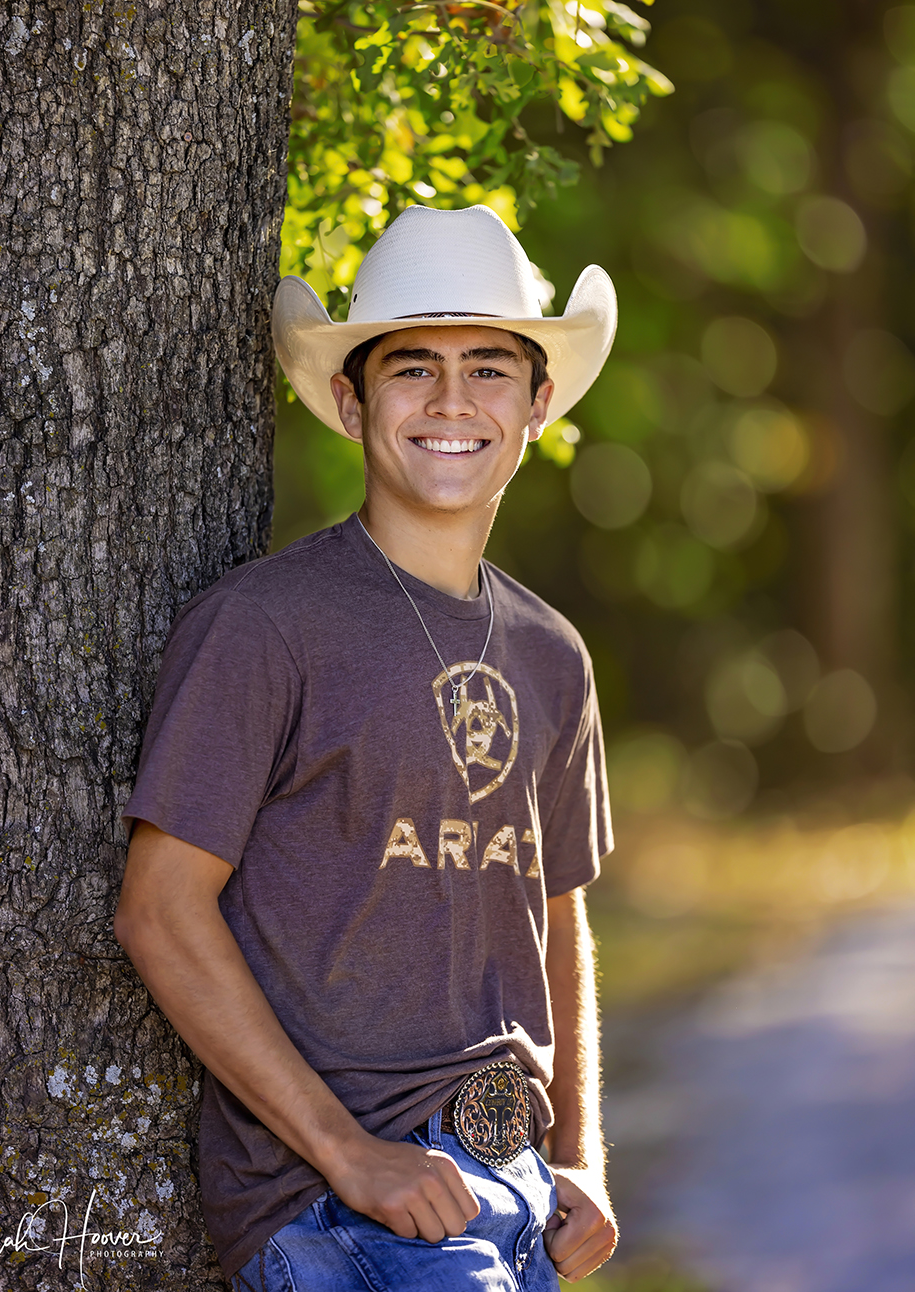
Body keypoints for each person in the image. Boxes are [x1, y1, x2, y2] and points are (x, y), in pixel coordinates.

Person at [114, 203, 619, 1289]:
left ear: (537, 405)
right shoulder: (265, 625)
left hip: (517, 1191)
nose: (450, 401)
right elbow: (158, 906)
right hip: (343, 1207)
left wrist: (579, 1154)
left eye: (488, 368)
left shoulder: (552, 655)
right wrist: (346, 1152)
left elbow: (557, 912)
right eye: (411, 368)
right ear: (350, 402)